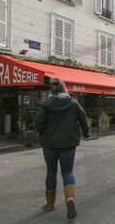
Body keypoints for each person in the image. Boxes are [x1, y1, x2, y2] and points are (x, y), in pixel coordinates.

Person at [35, 78, 89, 220]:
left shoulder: (45, 104)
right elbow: (84, 119)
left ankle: (50, 203)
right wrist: (87, 133)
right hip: (68, 143)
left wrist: (42, 133)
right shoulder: (73, 103)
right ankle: (70, 198)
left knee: (51, 172)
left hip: (49, 144)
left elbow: (38, 122)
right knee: (67, 172)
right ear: (64, 89)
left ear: (52, 90)